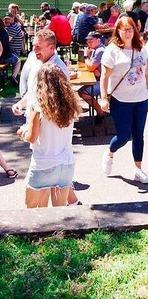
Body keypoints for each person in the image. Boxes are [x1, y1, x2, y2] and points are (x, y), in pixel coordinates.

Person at [99, 16, 148, 184]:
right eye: (124, 29)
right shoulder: (112, 50)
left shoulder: (141, 49)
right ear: (118, 31)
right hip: (120, 100)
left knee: (139, 135)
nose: (127, 33)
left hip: (140, 99)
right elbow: (104, 76)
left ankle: (138, 169)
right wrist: (103, 98)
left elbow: (147, 74)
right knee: (124, 136)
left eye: (130, 29)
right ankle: (110, 152)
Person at [19, 64, 80, 208]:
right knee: (58, 216)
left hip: (43, 164)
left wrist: (23, 133)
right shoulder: (71, 107)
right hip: (66, 164)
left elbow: (32, 137)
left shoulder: (38, 107)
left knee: (32, 213)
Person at [78, 31, 107, 122]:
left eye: (91, 40)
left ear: (98, 40)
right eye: (87, 41)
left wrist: (86, 56)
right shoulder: (96, 49)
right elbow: (91, 67)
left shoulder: (100, 51)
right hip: (98, 79)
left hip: (104, 83)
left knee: (83, 92)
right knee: (81, 91)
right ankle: (100, 112)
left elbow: (90, 67)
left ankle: (101, 113)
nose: (88, 43)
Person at [0, 18, 21, 85]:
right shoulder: (5, 32)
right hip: (6, 56)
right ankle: (13, 76)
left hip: (3, 56)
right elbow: (2, 48)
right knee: (18, 61)